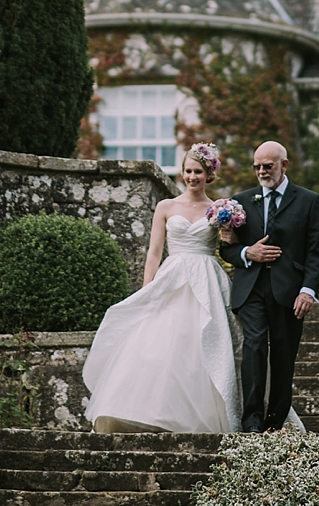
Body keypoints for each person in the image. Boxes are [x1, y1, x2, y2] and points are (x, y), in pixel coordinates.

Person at [82, 143, 241, 434]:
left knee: (202, 345)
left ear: (209, 175)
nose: (192, 177)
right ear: (182, 173)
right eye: (188, 171)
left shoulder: (220, 209)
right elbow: (154, 252)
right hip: (173, 277)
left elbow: (229, 246)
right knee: (159, 347)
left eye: (198, 172)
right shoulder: (165, 207)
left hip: (206, 278)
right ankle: (146, 413)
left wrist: (230, 232)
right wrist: (147, 290)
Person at [218, 140, 319, 432]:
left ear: (284, 165)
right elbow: (226, 250)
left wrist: (308, 290)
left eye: (268, 166)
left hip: (289, 291)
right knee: (253, 347)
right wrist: (246, 253)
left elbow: (314, 251)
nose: (262, 171)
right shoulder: (240, 201)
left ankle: (275, 423)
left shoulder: (308, 200)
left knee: (283, 353)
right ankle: (251, 421)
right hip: (250, 287)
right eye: (257, 167)